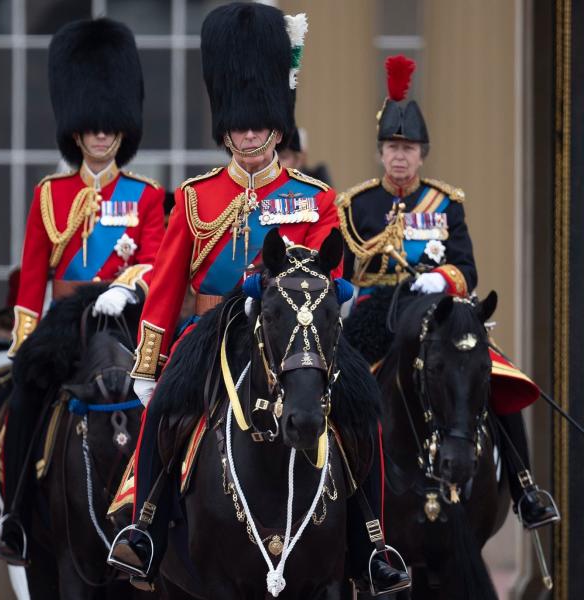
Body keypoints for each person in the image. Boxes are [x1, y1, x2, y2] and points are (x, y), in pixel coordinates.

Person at [107, 5, 410, 594]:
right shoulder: (196, 198)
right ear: (225, 127)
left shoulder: (312, 197)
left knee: (361, 412)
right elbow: (168, 284)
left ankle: (373, 544)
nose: (248, 135)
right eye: (238, 126)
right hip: (210, 333)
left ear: (276, 124)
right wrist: (149, 364)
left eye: (257, 125)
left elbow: (334, 268)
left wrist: (306, 289)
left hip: (299, 330)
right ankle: (143, 531)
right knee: (164, 417)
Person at [338, 54, 559, 530]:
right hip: (377, 313)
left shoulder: (446, 203)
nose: (400, 156)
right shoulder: (357, 205)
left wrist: (442, 279)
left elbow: (468, 269)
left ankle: (523, 488)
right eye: (392, 147)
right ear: (380, 153)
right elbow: (344, 267)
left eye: (409, 148)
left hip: (438, 311)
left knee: (493, 373)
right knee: (334, 386)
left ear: (423, 154)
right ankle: (335, 492)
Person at [0, 17, 166, 565]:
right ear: (75, 130)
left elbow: (158, 264)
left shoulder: (145, 194)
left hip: (128, 320)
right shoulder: (51, 194)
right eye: (91, 127)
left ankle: (162, 516)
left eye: (108, 127)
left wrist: (125, 286)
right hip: (67, 322)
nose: (100, 135)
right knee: (23, 395)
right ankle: (16, 516)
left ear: (122, 129)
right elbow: (31, 278)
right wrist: (23, 340)